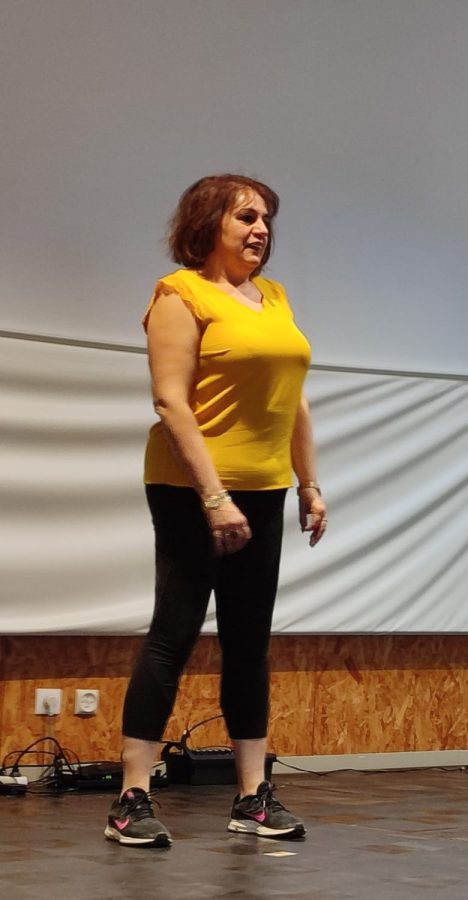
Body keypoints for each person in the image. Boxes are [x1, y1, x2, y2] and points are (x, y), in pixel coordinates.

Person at [105, 174, 327, 847]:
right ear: (208, 225)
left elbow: (294, 399)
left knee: (248, 642)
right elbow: (170, 401)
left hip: (263, 489)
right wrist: (213, 497)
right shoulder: (180, 295)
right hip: (190, 489)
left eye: (266, 220)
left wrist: (309, 483)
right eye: (246, 217)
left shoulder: (273, 298)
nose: (261, 230)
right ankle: (131, 799)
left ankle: (252, 796)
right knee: (173, 634)